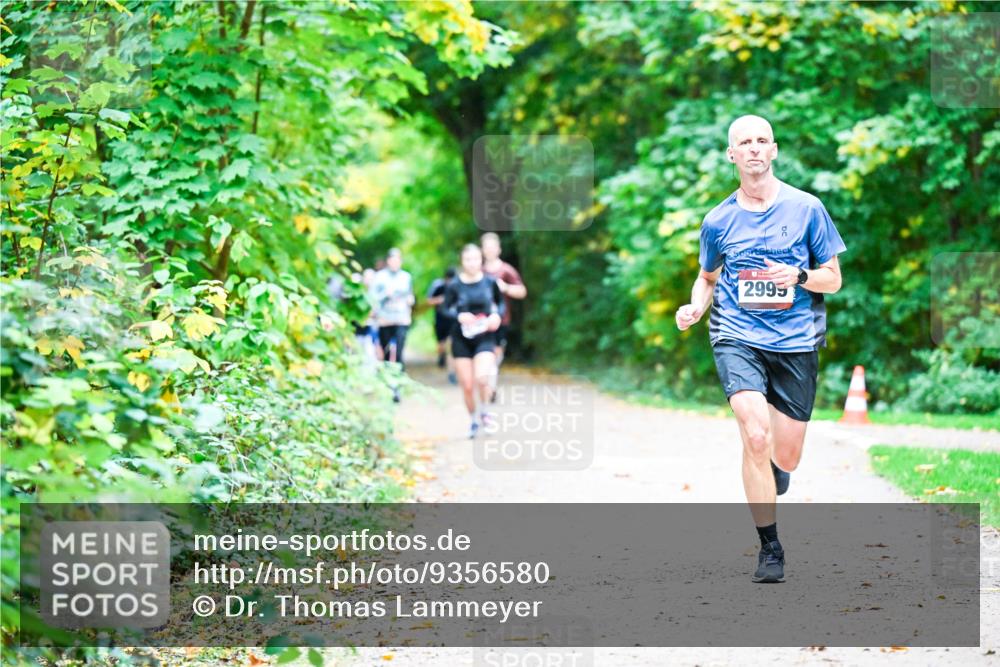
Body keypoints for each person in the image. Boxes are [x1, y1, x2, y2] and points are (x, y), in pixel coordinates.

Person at [674, 114, 845, 584]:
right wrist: (694, 307)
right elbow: (706, 278)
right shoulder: (717, 220)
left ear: (773, 150)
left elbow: (833, 279)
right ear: (732, 155)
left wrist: (800, 276)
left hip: (795, 341)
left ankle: (774, 470)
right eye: (743, 142)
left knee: (785, 456)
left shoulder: (807, 208)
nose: (753, 148)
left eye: (761, 141)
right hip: (737, 334)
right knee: (754, 434)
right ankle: (770, 548)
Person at [443, 244, 504, 439]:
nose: (472, 263)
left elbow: (500, 304)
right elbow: (445, 308)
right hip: (461, 339)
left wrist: (496, 316)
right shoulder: (454, 285)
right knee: (467, 385)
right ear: (462, 261)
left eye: (476, 259)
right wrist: (459, 316)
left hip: (485, 337)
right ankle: (473, 420)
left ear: (481, 260)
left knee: (482, 378)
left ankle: (485, 411)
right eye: (468, 259)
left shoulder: (490, 282)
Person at [481, 232, 526, 396]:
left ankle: (491, 384)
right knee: (485, 352)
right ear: (483, 250)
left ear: (498, 249)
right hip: (481, 320)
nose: (490, 251)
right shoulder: (478, 271)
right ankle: (488, 384)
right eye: (487, 248)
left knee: (496, 353)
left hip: (502, 318)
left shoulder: (506, 270)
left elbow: (522, 291)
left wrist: (505, 287)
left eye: (493, 247)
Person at [371, 248, 415, 401]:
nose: (395, 263)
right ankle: (387, 384)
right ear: (388, 261)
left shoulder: (406, 277)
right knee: (387, 352)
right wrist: (385, 294)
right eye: (392, 259)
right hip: (385, 320)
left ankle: (397, 386)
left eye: (398, 260)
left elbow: (410, 295)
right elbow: (373, 298)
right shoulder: (380, 277)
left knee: (400, 352)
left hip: (401, 319)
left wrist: (410, 301)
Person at [426, 267, 458, 383]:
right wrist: (441, 300)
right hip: (440, 320)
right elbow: (428, 300)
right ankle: (441, 356)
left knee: (451, 346)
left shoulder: (457, 286)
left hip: (453, 321)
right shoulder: (438, 286)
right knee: (441, 345)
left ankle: (452, 372)